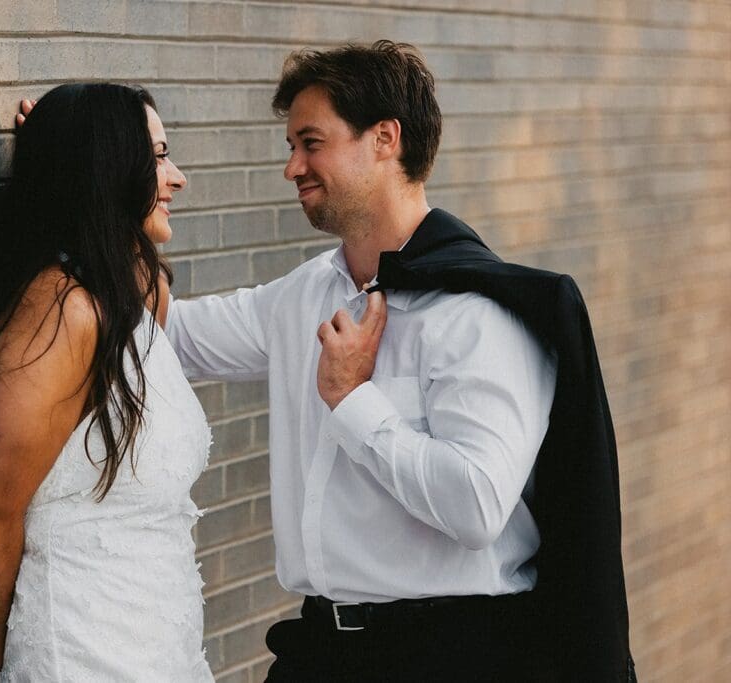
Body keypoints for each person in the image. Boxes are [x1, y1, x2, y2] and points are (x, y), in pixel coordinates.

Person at [163, 42, 634, 681]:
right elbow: (168, 338)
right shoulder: (304, 293)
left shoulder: (480, 314)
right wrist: (82, 181)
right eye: (290, 147)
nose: (292, 166)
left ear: (384, 138)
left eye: (311, 142)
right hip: (321, 653)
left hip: (452, 658)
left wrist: (355, 402)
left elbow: (476, 505)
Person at [0, 83, 214, 682]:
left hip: (164, 643)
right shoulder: (63, 314)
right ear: (108, 168)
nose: (176, 178)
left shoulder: (143, 294)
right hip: (80, 650)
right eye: (155, 156)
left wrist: (64, 146)